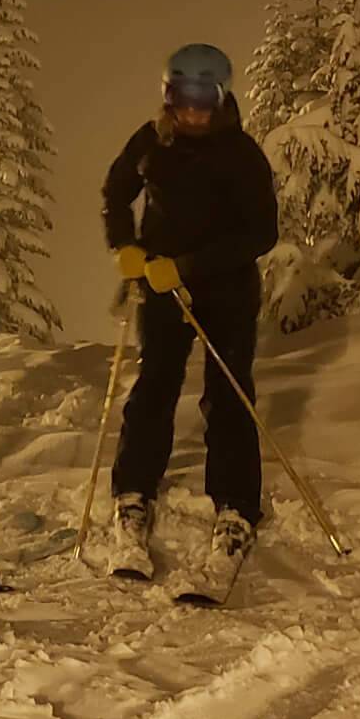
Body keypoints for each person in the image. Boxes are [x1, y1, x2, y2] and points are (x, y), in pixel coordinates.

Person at [101, 42, 278, 574]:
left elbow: (261, 232)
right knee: (154, 384)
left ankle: (235, 507)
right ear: (168, 95)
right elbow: (115, 192)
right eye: (183, 95)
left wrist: (190, 266)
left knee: (228, 393)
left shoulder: (242, 155)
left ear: (222, 96)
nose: (194, 108)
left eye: (205, 95)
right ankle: (132, 494)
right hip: (159, 285)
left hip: (224, 290)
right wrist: (125, 246)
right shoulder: (152, 140)